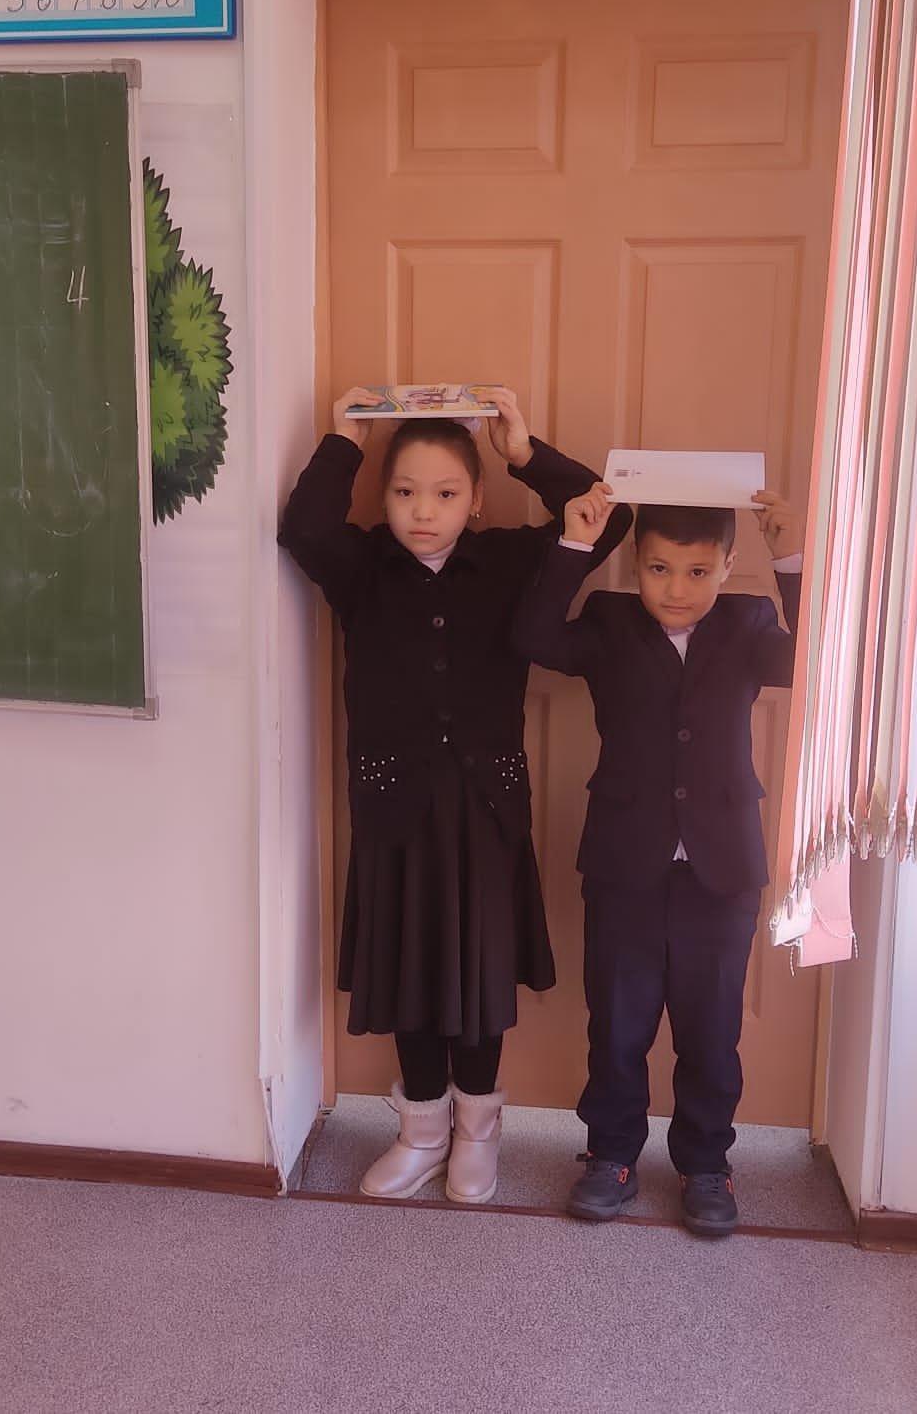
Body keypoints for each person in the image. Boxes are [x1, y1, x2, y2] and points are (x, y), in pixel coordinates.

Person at [279, 388, 629, 1204]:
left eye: (444, 493)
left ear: (475, 501)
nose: (423, 511)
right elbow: (303, 529)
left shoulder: (507, 561)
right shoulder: (362, 566)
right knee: (411, 973)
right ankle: (422, 1133)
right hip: (394, 811)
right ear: (383, 498)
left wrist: (523, 452)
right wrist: (344, 439)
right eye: (405, 492)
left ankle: (478, 1133)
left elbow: (603, 518)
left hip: (486, 812)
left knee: (478, 978)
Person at [512, 482, 803, 1234]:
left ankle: (707, 1163)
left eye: (698, 572)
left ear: (728, 566)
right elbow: (534, 639)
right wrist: (575, 544)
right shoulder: (609, 623)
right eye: (659, 569)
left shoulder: (749, 623)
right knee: (617, 1024)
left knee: (710, 1029)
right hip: (625, 866)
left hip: (722, 871)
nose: (677, 589)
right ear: (636, 563)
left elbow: (821, 661)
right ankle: (610, 1154)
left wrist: (792, 562)